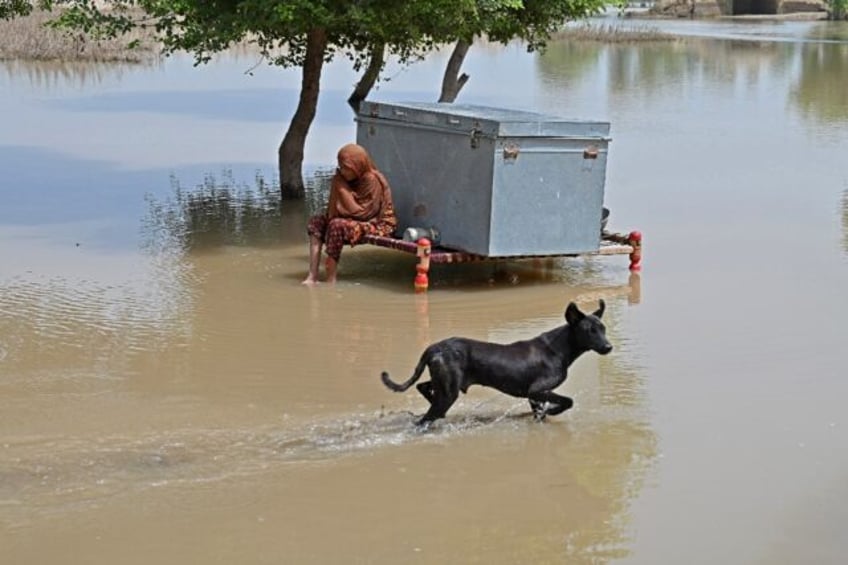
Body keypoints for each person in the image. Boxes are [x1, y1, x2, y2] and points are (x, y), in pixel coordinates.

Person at [302, 143, 397, 285]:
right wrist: (339, 185)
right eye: (341, 166)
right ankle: (312, 275)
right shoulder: (349, 180)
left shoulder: (371, 179)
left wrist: (341, 189)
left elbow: (363, 213)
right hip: (356, 220)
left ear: (357, 166)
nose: (343, 171)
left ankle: (330, 280)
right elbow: (333, 212)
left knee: (336, 225)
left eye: (346, 168)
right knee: (316, 222)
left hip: (377, 224)